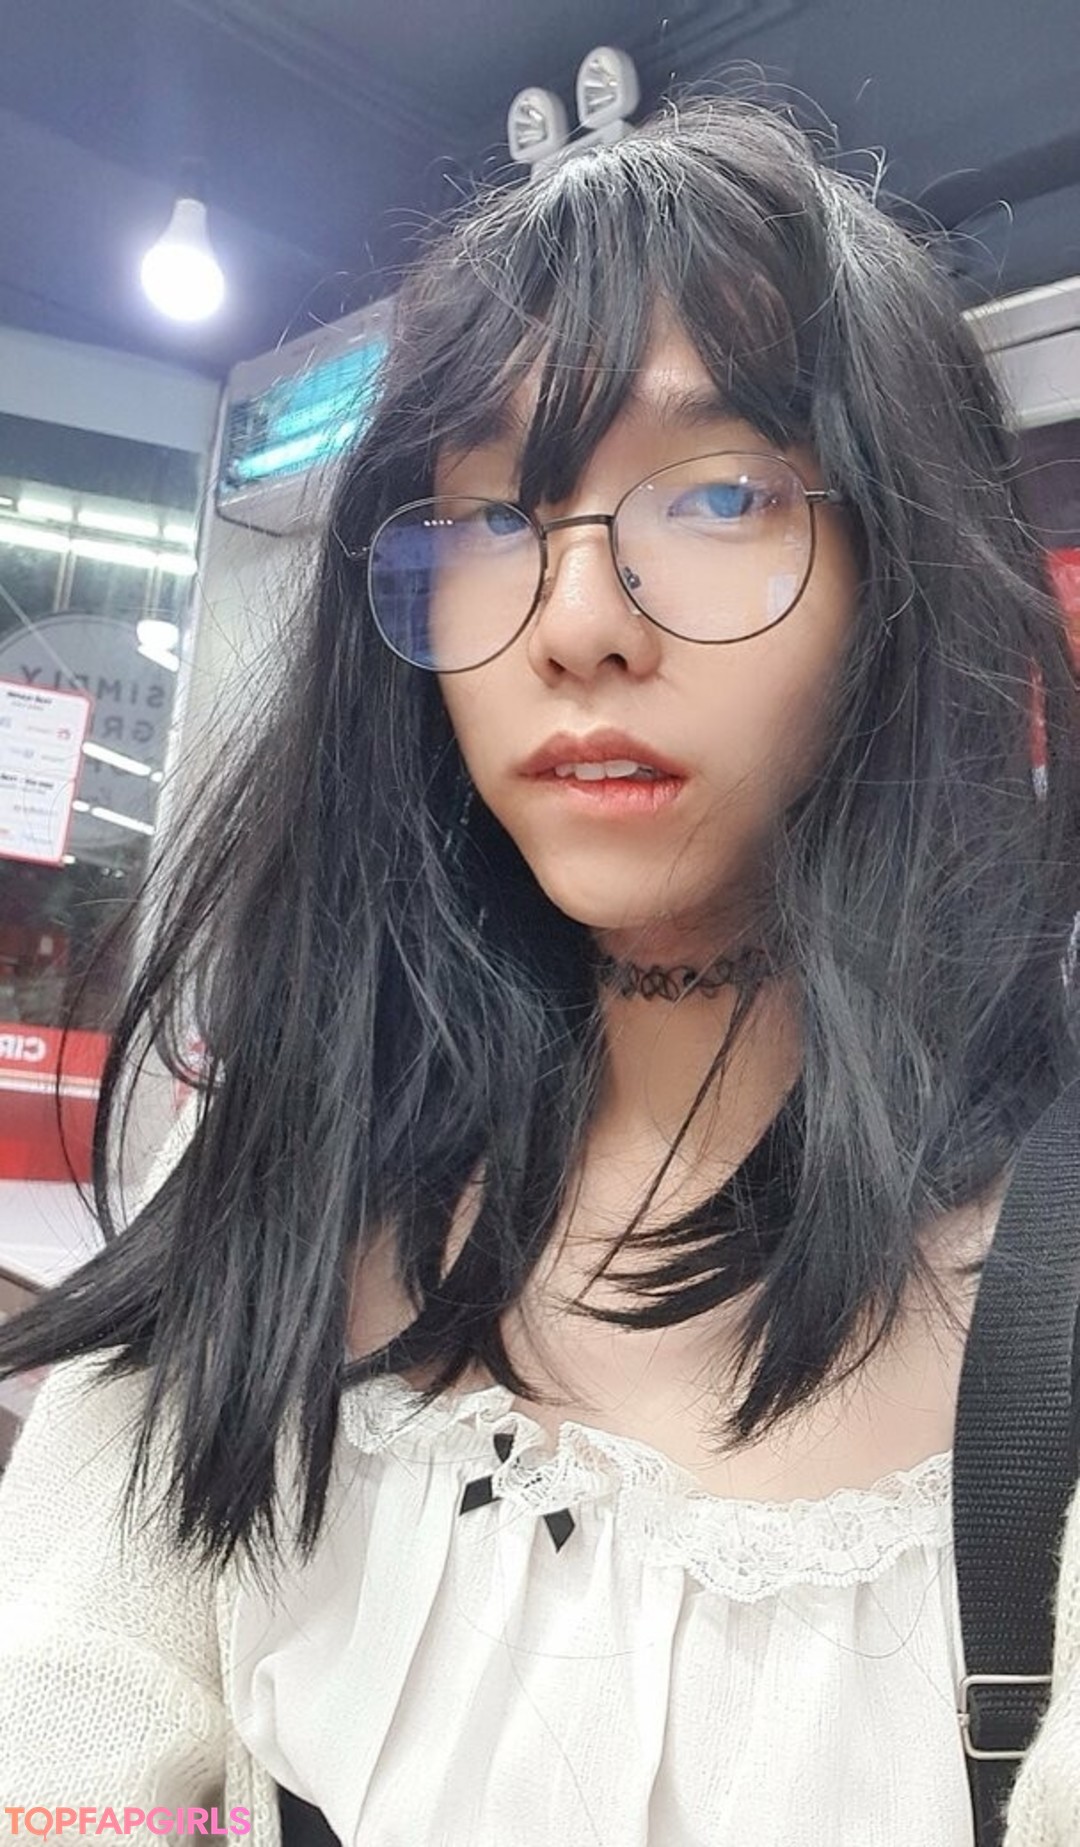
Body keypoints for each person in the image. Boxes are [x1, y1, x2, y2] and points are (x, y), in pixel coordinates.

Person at [1, 92, 1078, 1847]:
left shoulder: (1043, 1287)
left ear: (907, 572)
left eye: (716, 493)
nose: (575, 623)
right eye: (490, 517)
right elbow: (62, 1726)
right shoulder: (290, 1173)